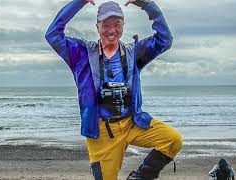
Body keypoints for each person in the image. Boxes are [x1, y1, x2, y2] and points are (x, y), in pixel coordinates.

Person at [45, 0, 183, 179]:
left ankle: (139, 177)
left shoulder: (135, 53)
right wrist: (78, 2)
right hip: (101, 131)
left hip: (132, 122)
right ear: (97, 27)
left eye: (117, 24)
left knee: (172, 140)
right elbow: (53, 35)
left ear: (123, 26)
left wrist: (148, 5)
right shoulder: (81, 54)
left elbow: (164, 40)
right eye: (106, 25)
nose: (112, 30)